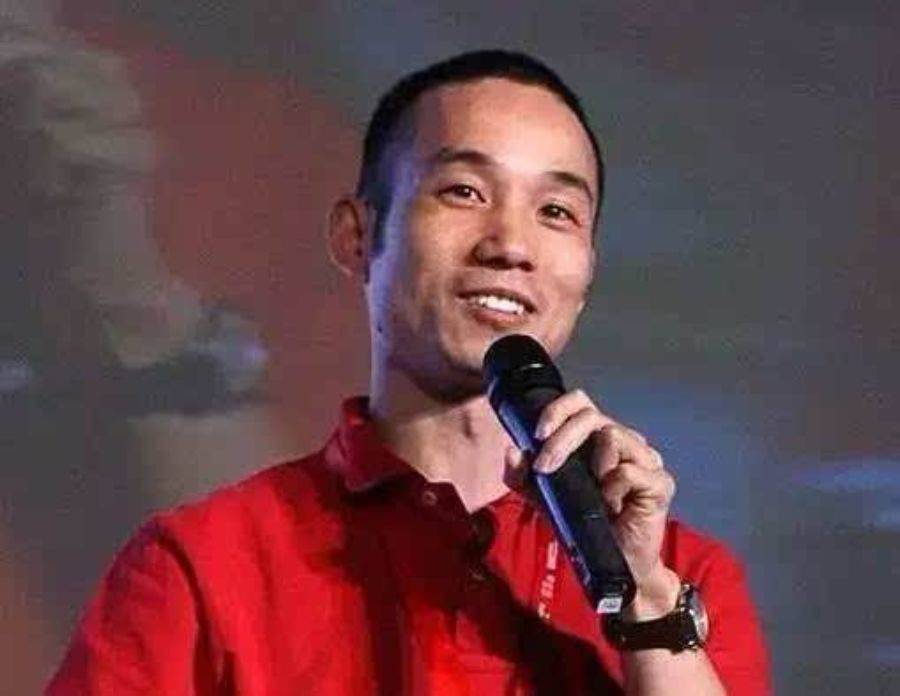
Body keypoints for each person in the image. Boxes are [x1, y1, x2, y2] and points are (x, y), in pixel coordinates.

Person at [47, 50, 770, 695]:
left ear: (586, 274)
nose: (510, 244)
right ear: (356, 236)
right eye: (464, 192)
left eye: (556, 211)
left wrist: (645, 602)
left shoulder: (683, 577)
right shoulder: (203, 565)